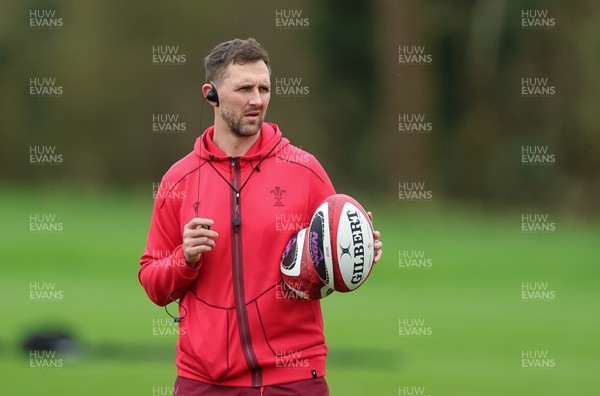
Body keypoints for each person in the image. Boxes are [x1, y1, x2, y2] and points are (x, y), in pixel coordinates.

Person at [139, 38, 383, 396]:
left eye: (264, 88)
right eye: (244, 89)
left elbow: (333, 257)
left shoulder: (304, 170)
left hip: (295, 378)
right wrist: (184, 258)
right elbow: (152, 281)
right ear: (211, 94)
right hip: (204, 382)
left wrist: (359, 251)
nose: (257, 100)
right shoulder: (179, 180)